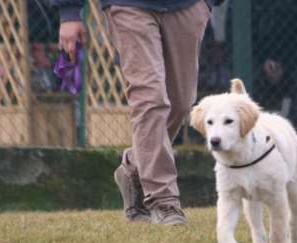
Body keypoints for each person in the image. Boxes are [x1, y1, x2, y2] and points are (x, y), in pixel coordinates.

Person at [52, 0, 217, 225]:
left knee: (181, 103)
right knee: (150, 98)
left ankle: (133, 165)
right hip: (128, 5)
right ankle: (164, 201)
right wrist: (69, 12)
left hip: (188, 6)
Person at [251, 0, 297, 134]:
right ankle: (255, 136)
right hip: (254, 67)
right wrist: (262, 63)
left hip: (289, 67)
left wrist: (284, 65)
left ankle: (290, 135)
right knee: (244, 80)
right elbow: (234, 38)